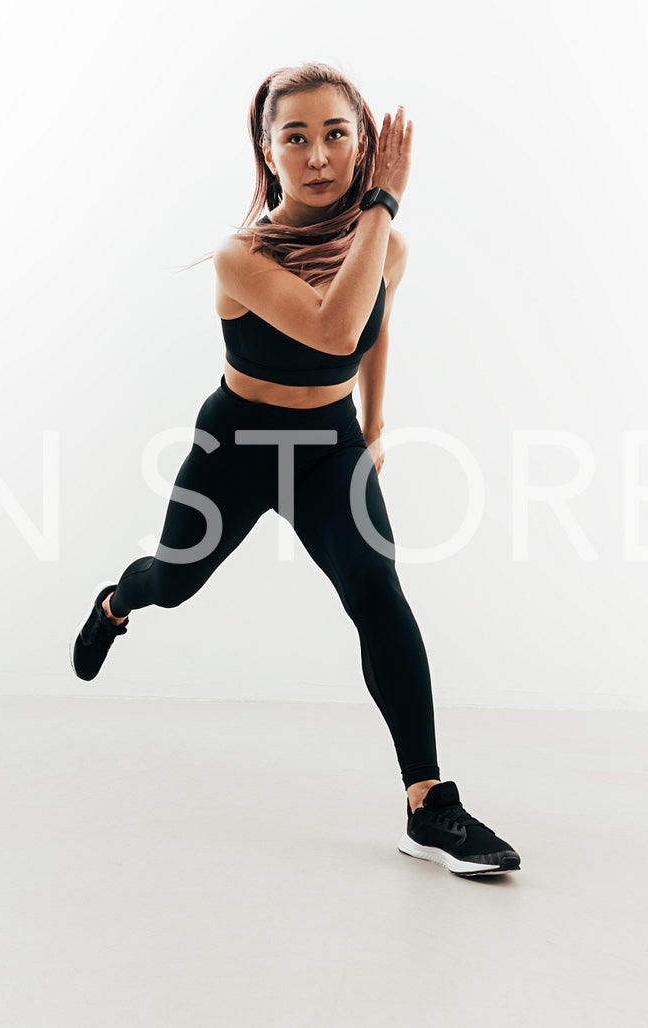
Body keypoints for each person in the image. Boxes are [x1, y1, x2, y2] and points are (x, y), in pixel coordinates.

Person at [69, 63, 520, 877]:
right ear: (267, 151)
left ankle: (429, 803)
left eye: (337, 134)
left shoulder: (387, 243)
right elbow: (333, 326)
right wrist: (381, 203)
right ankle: (114, 602)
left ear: (364, 142)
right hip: (235, 443)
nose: (319, 155)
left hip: (328, 446)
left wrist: (373, 424)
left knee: (376, 592)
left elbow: (376, 327)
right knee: (171, 580)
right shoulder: (238, 254)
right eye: (297, 137)